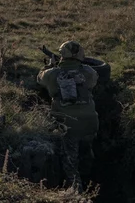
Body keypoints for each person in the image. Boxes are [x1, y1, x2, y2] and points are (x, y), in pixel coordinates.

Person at [36, 40, 100, 189]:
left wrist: (50, 66)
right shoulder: (88, 72)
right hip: (90, 124)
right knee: (86, 153)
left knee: (70, 165)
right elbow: (93, 80)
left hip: (68, 125)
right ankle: (90, 182)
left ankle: (77, 194)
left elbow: (40, 79)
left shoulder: (52, 74)